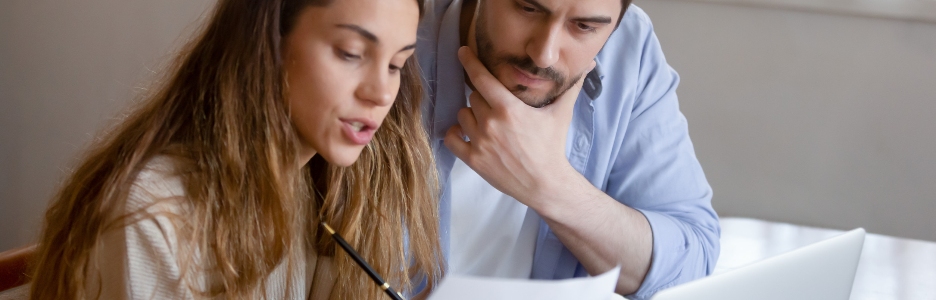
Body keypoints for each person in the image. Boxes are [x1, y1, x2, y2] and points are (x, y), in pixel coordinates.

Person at [28, 0, 443, 299]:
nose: (381, 93)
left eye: (396, 65)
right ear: (269, 42)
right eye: (351, 53)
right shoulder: (155, 213)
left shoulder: (332, 187)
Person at [415, 0, 720, 298]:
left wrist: (549, 183)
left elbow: (690, 262)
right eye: (528, 9)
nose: (544, 54)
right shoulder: (396, 37)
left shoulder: (628, 46)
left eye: (585, 26)